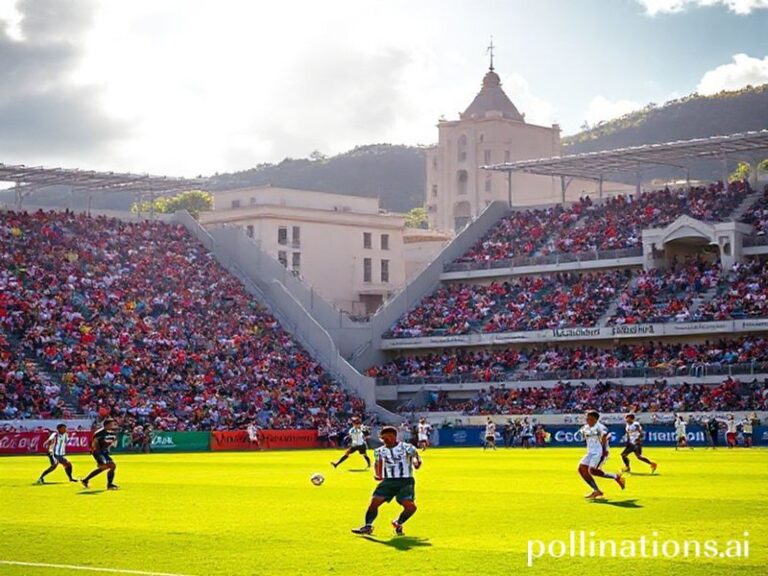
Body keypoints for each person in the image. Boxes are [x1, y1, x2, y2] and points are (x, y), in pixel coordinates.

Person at [351, 426, 421, 536]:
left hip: (405, 481)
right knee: (374, 502)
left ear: (394, 436)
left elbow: (415, 456)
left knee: (410, 507)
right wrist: (378, 474)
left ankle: (398, 523)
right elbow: (378, 463)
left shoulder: (406, 447)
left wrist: (416, 462)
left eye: (387, 437)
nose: (385, 440)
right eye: (383, 438)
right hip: (388, 481)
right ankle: (368, 526)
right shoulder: (379, 451)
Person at [577, 410, 625, 499]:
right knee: (581, 469)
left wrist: (604, 450)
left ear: (595, 419)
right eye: (587, 418)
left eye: (590, 419)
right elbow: (580, 435)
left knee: (592, 471)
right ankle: (596, 491)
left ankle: (616, 476)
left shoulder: (600, 427)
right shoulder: (585, 427)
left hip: (599, 452)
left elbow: (605, 436)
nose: (587, 420)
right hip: (590, 452)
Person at [80, 418, 120, 490]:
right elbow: (94, 445)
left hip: (104, 452)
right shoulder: (99, 433)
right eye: (111, 424)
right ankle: (109, 485)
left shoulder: (112, 432)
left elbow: (111, 441)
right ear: (106, 425)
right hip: (98, 452)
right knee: (111, 466)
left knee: (106, 467)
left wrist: (109, 446)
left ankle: (85, 480)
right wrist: (98, 456)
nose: (113, 425)